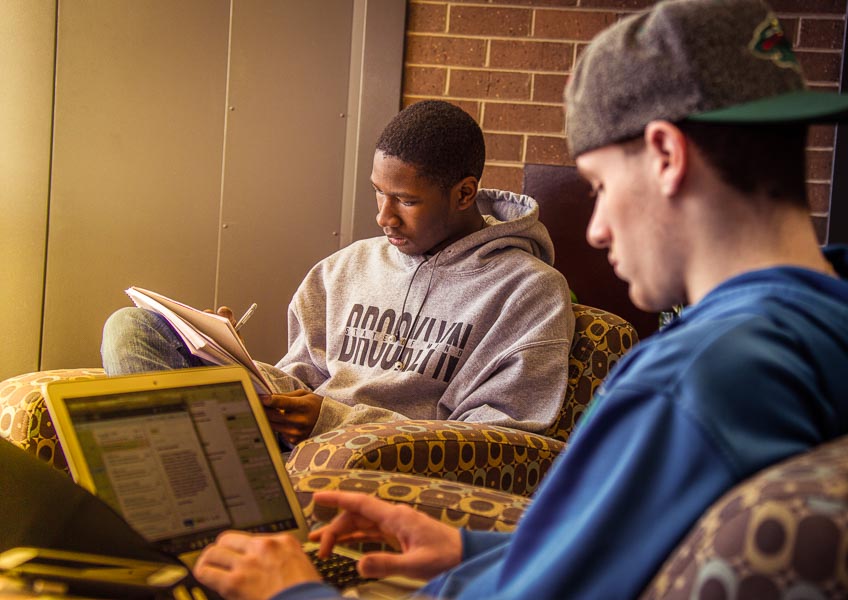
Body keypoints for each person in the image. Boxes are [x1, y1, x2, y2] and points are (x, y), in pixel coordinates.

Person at [192, 0, 848, 598]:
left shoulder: (693, 384)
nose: (594, 228)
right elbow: (610, 550)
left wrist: (293, 590)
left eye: (597, 185)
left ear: (666, 156)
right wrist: (469, 550)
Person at [101, 100, 575, 444]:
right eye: (378, 193)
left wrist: (333, 423)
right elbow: (298, 379)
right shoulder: (343, 268)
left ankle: (186, 502)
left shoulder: (529, 291)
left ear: (465, 193)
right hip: (288, 438)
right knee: (136, 326)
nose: (383, 217)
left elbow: (499, 437)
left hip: (377, 461)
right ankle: (191, 491)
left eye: (406, 201)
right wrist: (222, 353)